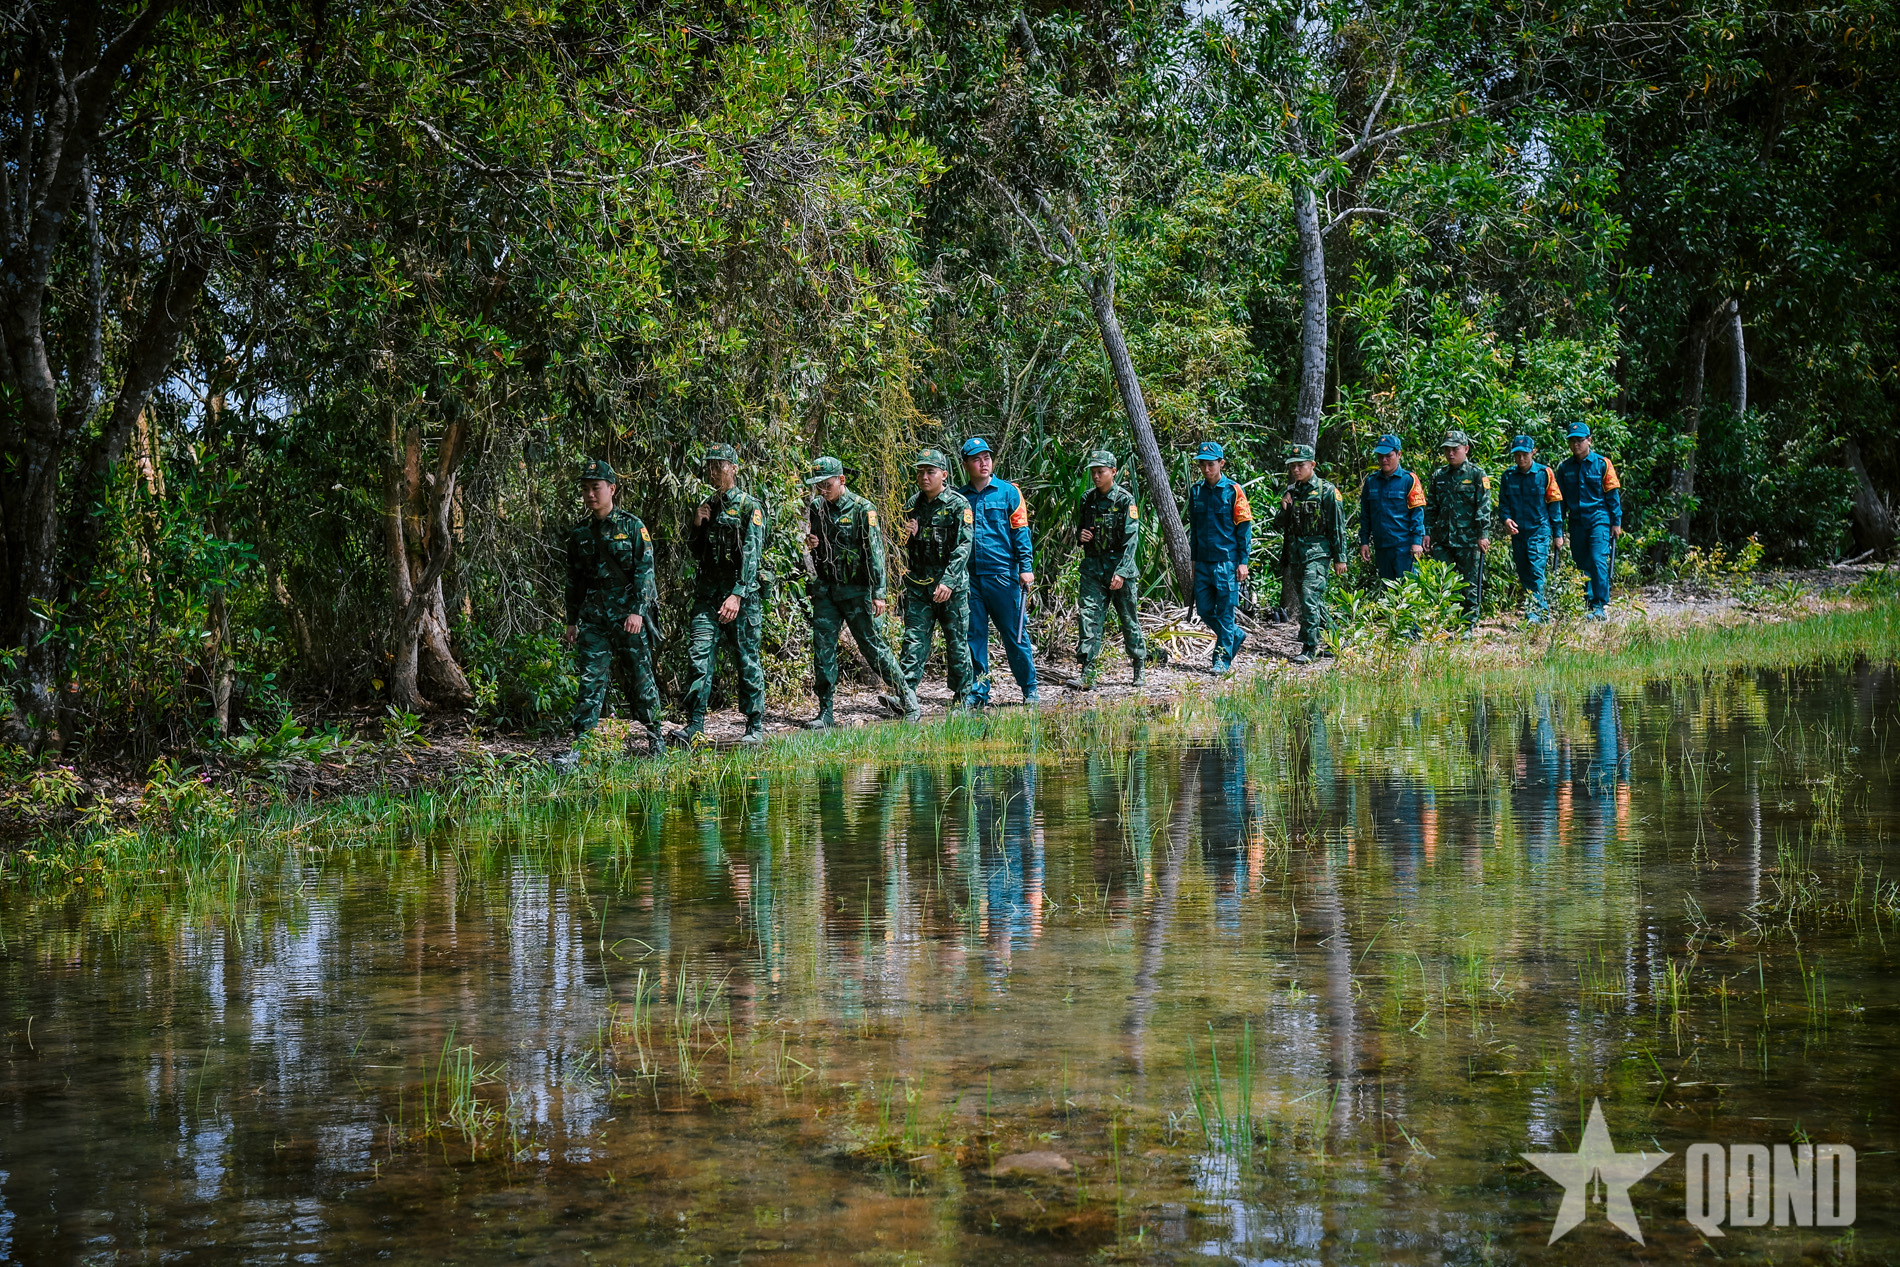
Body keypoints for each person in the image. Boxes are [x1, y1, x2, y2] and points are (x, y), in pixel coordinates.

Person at [558, 458, 666, 764]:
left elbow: (645, 572)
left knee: (640, 677)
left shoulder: (632, 526)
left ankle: (656, 738)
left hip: (628, 617)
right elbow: (574, 581)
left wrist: (637, 611)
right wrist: (571, 620)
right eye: (585, 489)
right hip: (594, 619)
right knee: (590, 680)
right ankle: (581, 747)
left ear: (612, 489)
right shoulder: (580, 533)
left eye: (596, 488)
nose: (590, 494)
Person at [801, 455, 919, 727]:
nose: (823, 490)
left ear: (841, 480)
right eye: (818, 485)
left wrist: (879, 593)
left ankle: (907, 697)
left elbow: (875, 552)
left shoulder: (862, 509)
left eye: (827, 484)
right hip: (827, 589)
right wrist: (813, 543)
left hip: (856, 590)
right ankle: (825, 712)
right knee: (823, 650)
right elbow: (817, 546)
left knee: (872, 647)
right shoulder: (817, 507)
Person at [680, 443, 766, 745]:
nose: (713, 471)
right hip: (708, 594)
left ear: (734, 469)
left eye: (719, 466)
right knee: (699, 655)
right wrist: (697, 525)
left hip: (740, 596)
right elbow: (696, 553)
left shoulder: (748, 506)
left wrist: (737, 595)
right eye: (710, 466)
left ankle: (755, 725)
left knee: (746, 659)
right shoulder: (707, 505)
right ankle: (695, 725)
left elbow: (753, 556)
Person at [957, 437, 1039, 706]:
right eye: (976, 459)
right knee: (974, 637)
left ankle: (1029, 689)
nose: (984, 463)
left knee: (1015, 635)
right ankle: (978, 693)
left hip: (1003, 575)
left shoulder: (1009, 493)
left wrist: (1025, 568)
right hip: (971, 578)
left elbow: (1021, 532)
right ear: (966, 464)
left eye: (987, 457)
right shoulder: (960, 498)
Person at [899, 449, 976, 707]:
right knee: (913, 640)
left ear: (943, 474)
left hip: (951, 587)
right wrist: (906, 535)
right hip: (920, 586)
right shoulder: (912, 504)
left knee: (956, 643)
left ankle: (962, 696)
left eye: (930, 472)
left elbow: (964, 546)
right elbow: (900, 545)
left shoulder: (958, 504)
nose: (924, 477)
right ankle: (906, 695)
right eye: (920, 472)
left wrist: (949, 581)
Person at [1073, 449, 1146, 688]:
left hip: (1119, 568)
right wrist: (1080, 535)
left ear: (1113, 472)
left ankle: (1139, 667)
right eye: (1093, 472)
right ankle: (1088, 672)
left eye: (1100, 472)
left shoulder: (1125, 500)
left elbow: (1131, 539)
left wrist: (1122, 572)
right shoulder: (1087, 499)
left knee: (1128, 619)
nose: (1096, 476)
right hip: (1093, 568)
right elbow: (1080, 528)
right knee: (1089, 618)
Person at [1272, 444, 1349, 664]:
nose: (1296, 470)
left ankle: (1310, 647)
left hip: (1318, 553)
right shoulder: (1292, 492)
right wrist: (1284, 507)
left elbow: (1337, 527)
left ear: (1312, 465)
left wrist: (1340, 557)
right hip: (1296, 554)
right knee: (1312, 600)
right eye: (1292, 466)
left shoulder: (1327, 491)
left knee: (1308, 596)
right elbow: (1279, 524)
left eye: (1301, 465)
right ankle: (1336, 640)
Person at [1186, 440, 1253, 675]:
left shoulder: (1233, 490)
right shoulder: (1196, 491)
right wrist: (1193, 561)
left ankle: (1221, 661)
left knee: (1225, 613)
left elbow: (1244, 528)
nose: (1206, 469)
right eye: (1202, 464)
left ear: (1221, 463)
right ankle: (1234, 635)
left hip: (1227, 562)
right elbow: (1195, 530)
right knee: (1205, 610)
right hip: (1203, 562)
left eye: (1211, 464)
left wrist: (1243, 562)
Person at [1422, 428, 1493, 628]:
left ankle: (1468, 624)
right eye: (1447, 449)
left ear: (1466, 449)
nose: (1450, 453)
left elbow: (1484, 507)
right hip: (1443, 540)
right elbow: (1432, 507)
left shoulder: (1477, 474)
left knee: (1470, 584)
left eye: (1455, 449)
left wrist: (1483, 534)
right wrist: (1427, 533)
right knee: (1443, 583)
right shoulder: (1439, 476)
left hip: (1468, 540)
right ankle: (1447, 624)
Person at [1554, 422, 1623, 619]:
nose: (1576, 444)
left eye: (1580, 440)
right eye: (1572, 441)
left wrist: (1616, 522)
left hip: (1599, 519)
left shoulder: (1603, 464)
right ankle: (1588, 603)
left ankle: (1600, 604)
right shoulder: (1564, 468)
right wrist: (1558, 530)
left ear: (1589, 440)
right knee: (1582, 562)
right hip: (1576, 521)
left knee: (1597, 559)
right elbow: (1560, 502)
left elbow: (1612, 495)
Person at [1497, 433, 1564, 622]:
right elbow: (1503, 504)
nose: (1521, 459)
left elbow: (1554, 505)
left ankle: (1538, 612)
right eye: (1517, 455)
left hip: (1539, 531)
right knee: (1524, 572)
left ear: (1533, 452)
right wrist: (1506, 520)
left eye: (1524, 454)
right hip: (1518, 533)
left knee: (1536, 570)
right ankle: (1537, 611)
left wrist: (1558, 534)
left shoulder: (1544, 473)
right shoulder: (1508, 476)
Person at [1358, 432, 1426, 581]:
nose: (1384, 460)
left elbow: (1417, 514)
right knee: (1387, 589)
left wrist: (1417, 542)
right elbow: (1365, 515)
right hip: (1382, 547)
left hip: (1404, 547)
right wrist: (1364, 542)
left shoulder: (1409, 480)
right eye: (1380, 456)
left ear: (1399, 454)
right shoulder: (1371, 482)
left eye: (1388, 456)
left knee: (1406, 589)